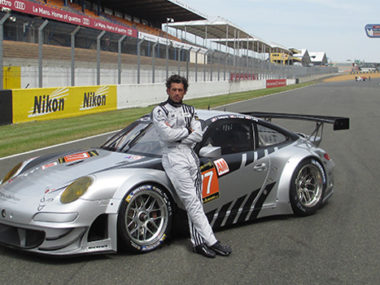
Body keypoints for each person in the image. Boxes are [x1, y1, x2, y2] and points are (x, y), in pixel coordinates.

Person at [152, 74, 232, 258]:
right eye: (174, 89)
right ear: (168, 90)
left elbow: (198, 135)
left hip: (191, 156)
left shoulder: (190, 109)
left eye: (180, 90)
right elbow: (166, 136)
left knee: (197, 202)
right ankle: (212, 241)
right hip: (173, 157)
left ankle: (198, 242)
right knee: (192, 202)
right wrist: (187, 130)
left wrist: (180, 133)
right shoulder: (160, 111)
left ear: (185, 91)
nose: (177, 93)